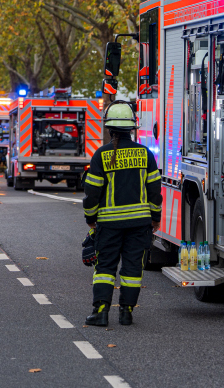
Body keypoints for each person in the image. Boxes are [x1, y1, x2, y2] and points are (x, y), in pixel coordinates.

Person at [83, 101, 162, 327]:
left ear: (110, 128)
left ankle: (101, 312)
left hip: (109, 225)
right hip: (139, 225)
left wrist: (91, 218)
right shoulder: (145, 154)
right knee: (132, 269)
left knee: (105, 268)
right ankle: (126, 313)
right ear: (132, 128)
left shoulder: (101, 155)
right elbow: (154, 192)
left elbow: (92, 193)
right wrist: (155, 218)